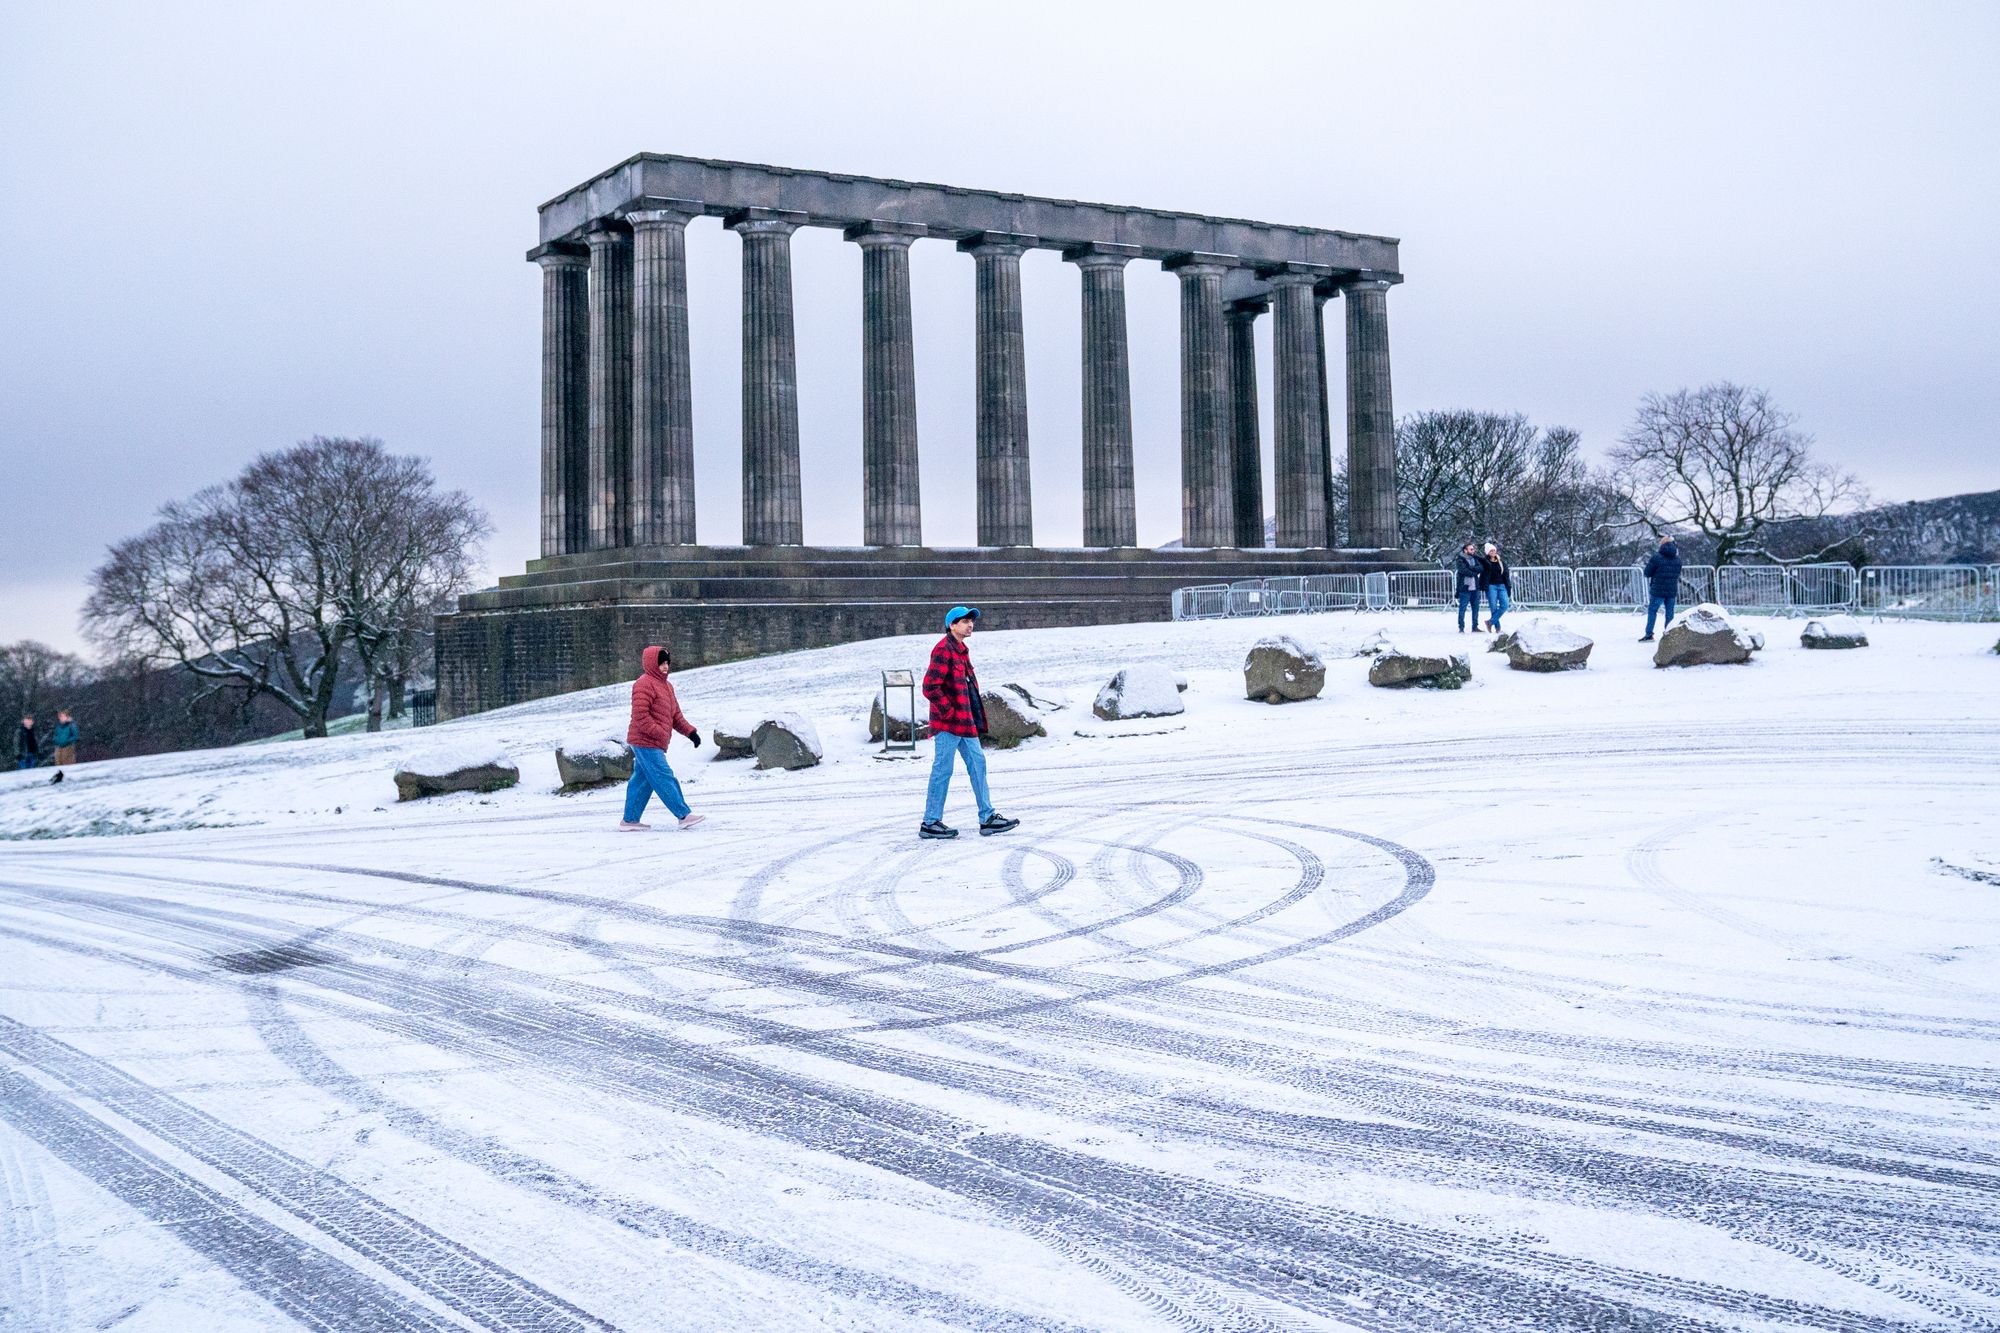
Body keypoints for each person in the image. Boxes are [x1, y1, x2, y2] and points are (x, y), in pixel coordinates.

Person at [919, 606, 1019, 841]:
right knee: (943, 770)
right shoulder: (943, 649)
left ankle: (988, 818)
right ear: (952, 625)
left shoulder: (962, 650)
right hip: (948, 723)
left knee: (978, 764)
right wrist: (949, 711)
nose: (970, 625)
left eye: (971, 621)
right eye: (964, 621)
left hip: (965, 722)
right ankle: (930, 822)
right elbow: (930, 687)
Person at [621, 645, 706, 830]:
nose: (665, 666)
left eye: (667, 662)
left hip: (654, 742)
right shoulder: (643, 684)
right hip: (644, 741)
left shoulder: (667, 686)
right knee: (663, 776)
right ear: (652, 663)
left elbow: (675, 716)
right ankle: (683, 815)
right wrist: (660, 732)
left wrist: (691, 733)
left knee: (642, 781)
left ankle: (630, 820)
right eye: (661, 663)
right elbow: (640, 716)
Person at [1641, 536, 1683, 641]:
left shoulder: (1656, 557)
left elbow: (1647, 573)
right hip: (1671, 590)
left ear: (1662, 544)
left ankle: (1649, 634)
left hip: (1657, 590)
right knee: (1670, 613)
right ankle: (1669, 634)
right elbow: (1677, 573)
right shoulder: (1677, 559)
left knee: (1652, 611)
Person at [1480, 542, 1512, 632]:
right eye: (1491, 551)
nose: (1493, 552)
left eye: (1494, 550)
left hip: (1501, 585)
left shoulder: (1500, 561)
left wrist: (1508, 585)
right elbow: (1482, 573)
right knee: (1493, 607)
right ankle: (1497, 627)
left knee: (1505, 605)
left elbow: (1506, 574)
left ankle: (1490, 622)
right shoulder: (1485, 562)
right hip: (1491, 586)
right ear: (1487, 552)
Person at [1453, 543, 1484, 632]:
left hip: (1475, 587)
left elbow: (1481, 568)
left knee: (1476, 608)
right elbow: (1463, 570)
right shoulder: (1460, 559)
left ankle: (1475, 626)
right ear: (1465, 550)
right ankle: (1461, 627)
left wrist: (1471, 568)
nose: (1473, 551)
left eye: (1473, 549)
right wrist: (1474, 572)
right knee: (1462, 608)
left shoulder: (1475, 558)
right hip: (1465, 588)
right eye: (1471, 549)